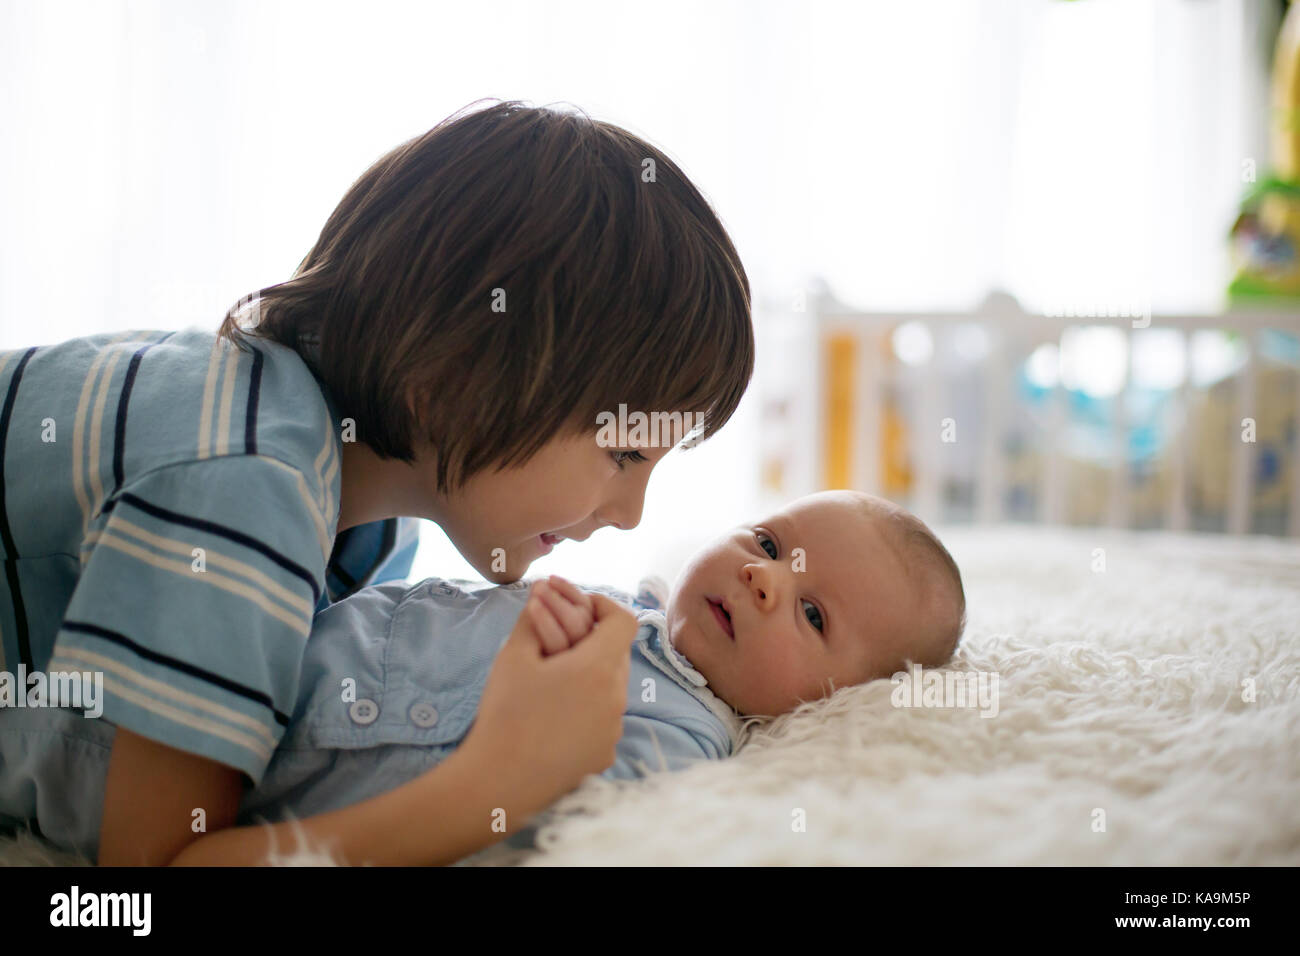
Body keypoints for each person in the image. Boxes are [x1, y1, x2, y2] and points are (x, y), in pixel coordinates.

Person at [0, 99, 753, 865]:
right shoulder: (245, 478)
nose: (630, 516)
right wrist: (502, 779)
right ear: (454, 377)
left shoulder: (360, 522)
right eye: (624, 454)